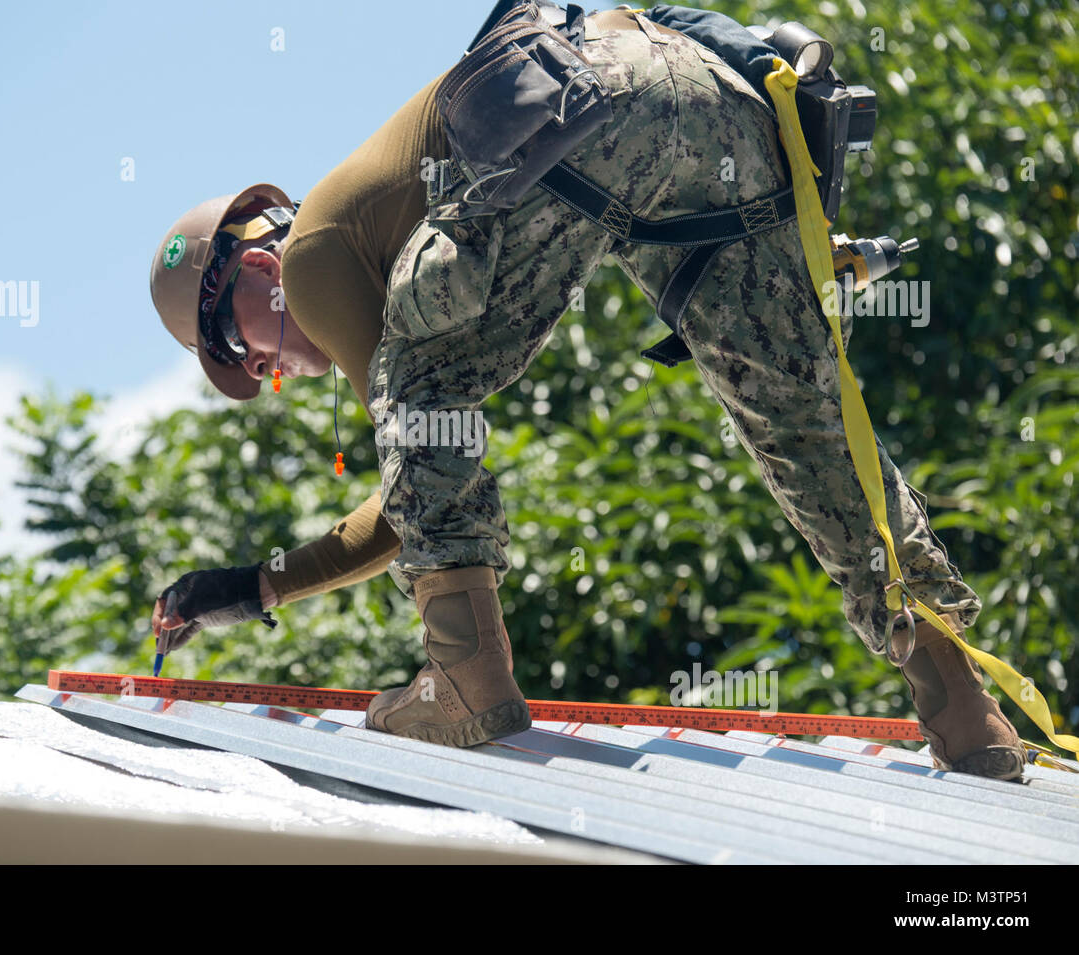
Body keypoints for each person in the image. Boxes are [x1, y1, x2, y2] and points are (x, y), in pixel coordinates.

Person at [146, 6, 1026, 778]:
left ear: (256, 268)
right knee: (806, 430)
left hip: (593, 110)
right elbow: (410, 498)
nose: (266, 373)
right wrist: (257, 587)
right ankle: (965, 711)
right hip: (715, 104)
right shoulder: (379, 214)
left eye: (236, 345)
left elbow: (414, 475)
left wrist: (258, 584)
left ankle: (468, 679)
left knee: (423, 385)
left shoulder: (311, 260)